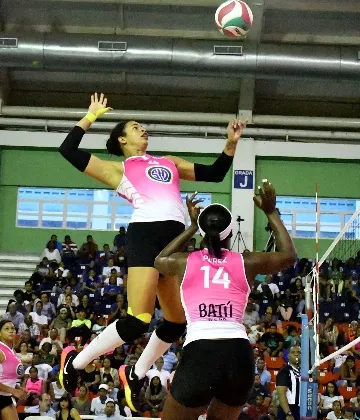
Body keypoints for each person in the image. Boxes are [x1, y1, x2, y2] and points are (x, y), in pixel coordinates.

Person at [58, 92, 246, 397]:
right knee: (138, 320)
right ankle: (76, 363)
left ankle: (136, 372)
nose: (142, 128)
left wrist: (231, 143)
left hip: (173, 240)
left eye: (142, 126)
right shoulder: (118, 169)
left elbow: (215, 173)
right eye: (134, 127)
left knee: (175, 321)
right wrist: (91, 116)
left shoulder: (168, 162)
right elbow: (67, 149)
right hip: (146, 233)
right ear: (121, 140)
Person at [152, 180, 297, 420]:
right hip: (237, 356)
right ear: (229, 233)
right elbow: (289, 256)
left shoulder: (184, 261)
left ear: (202, 233)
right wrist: (270, 212)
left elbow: (159, 260)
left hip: (201, 352)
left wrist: (191, 226)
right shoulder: (245, 261)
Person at [0, 320, 28, 420]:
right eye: (6, 329)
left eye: (13, 329)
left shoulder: (12, 351)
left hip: (5, 396)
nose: (11, 331)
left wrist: (17, 387)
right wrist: (13, 391)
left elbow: (4, 377)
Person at [276, 346, 301, 420]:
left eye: (298, 352)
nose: (296, 354)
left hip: (301, 409)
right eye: (293, 352)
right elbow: (281, 394)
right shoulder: (284, 371)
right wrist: (288, 413)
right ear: (288, 356)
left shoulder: (304, 372)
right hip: (288, 409)